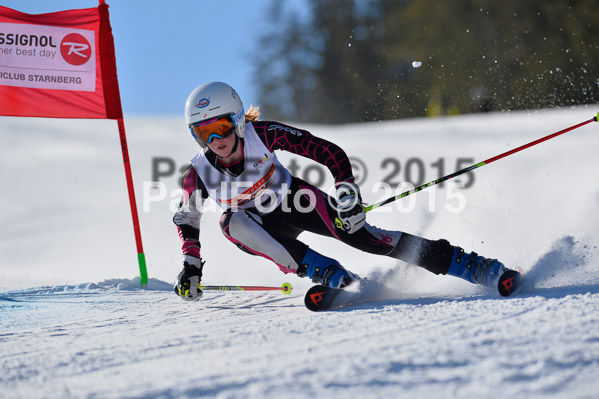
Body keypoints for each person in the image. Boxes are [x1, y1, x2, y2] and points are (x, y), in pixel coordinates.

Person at [173, 81, 519, 301]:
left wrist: (347, 191)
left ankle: (470, 265)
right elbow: (188, 218)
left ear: (238, 121)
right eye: (204, 134)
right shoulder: (198, 173)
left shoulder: (262, 134)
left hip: (296, 200)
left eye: (220, 128)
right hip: (260, 227)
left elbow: (325, 150)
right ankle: (326, 271)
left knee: (363, 237)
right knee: (230, 222)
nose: (215, 141)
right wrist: (191, 265)